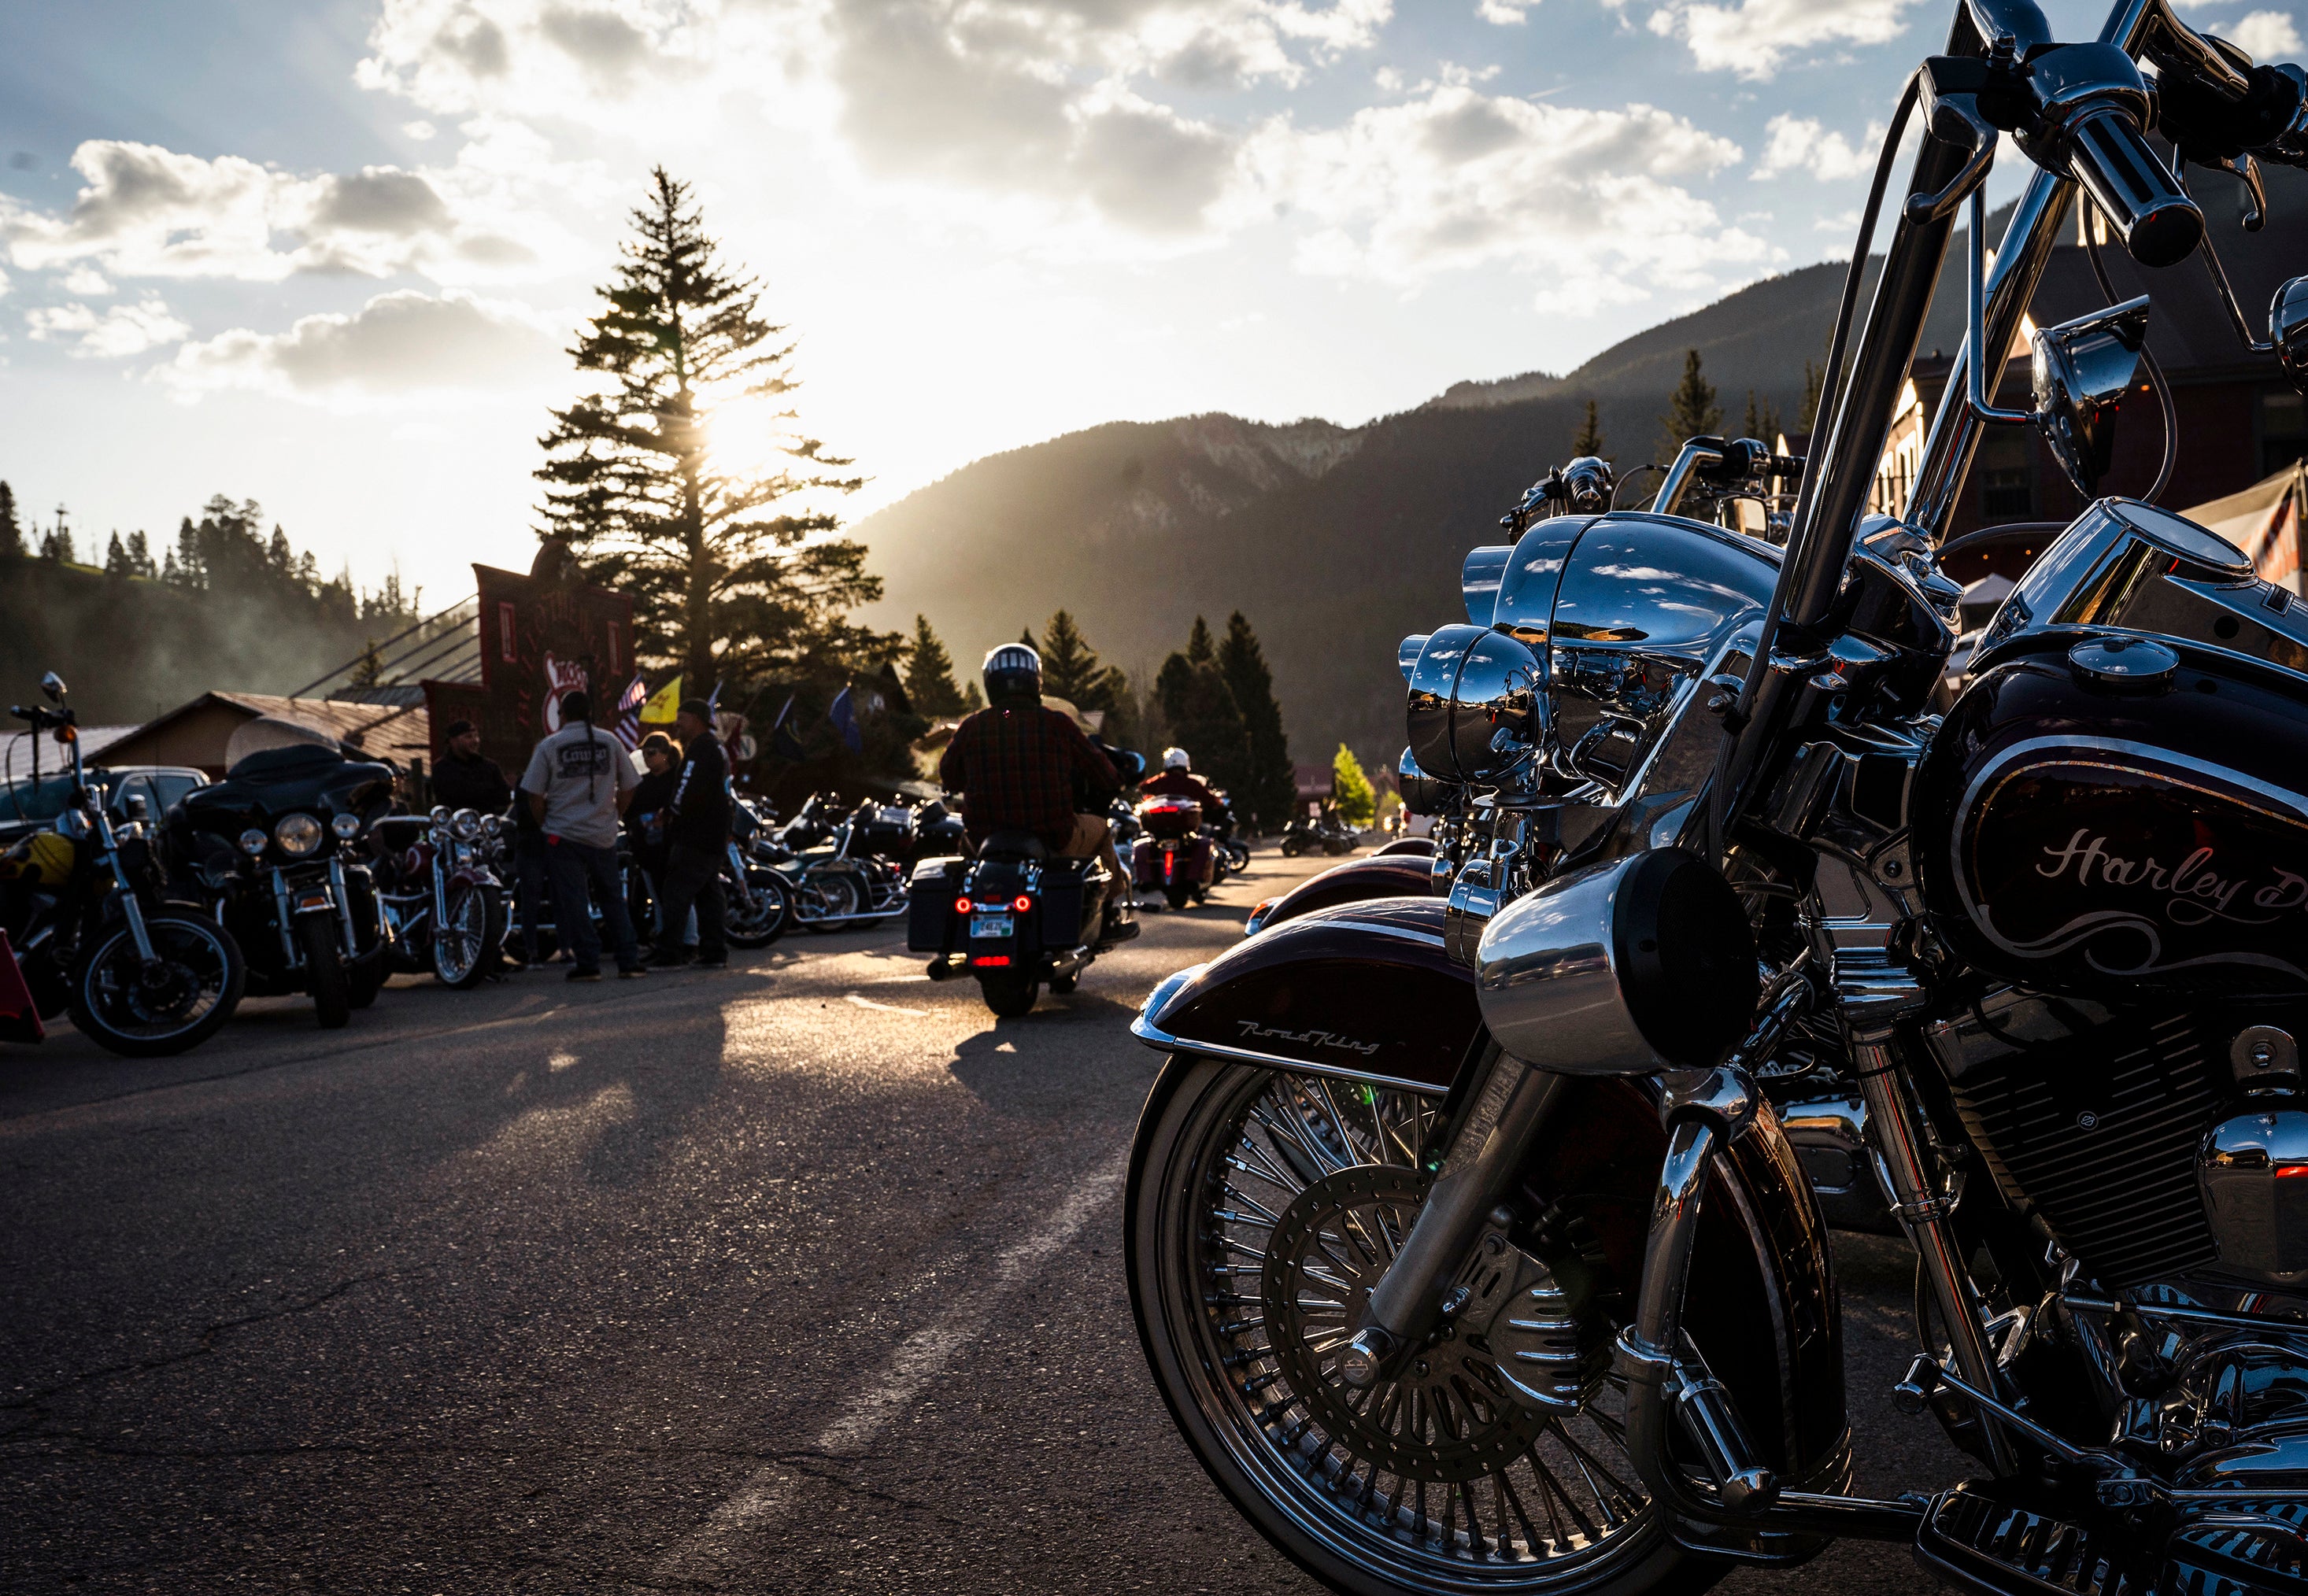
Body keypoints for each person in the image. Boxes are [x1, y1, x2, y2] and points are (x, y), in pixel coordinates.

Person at [938, 643, 1126, 935]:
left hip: (986, 839)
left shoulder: (972, 726)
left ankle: (967, 915)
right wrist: (1114, 781)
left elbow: (948, 776)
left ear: (990, 683)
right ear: (1035, 681)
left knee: (965, 845)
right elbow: (1104, 774)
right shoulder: (1058, 724)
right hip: (1054, 837)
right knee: (1101, 829)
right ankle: (1110, 915)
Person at [519, 689, 645, 981]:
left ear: (562, 715)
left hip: (562, 835)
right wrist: (615, 815)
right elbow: (630, 786)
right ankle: (628, 961)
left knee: (574, 900)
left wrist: (545, 822)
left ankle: (588, 964)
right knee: (612, 897)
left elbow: (534, 794)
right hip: (603, 834)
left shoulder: (550, 745)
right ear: (590, 713)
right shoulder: (610, 741)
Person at [650, 700, 730, 968]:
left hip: (695, 835)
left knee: (675, 892)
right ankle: (714, 952)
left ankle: (669, 953)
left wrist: (670, 812)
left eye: (681, 718)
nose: (677, 724)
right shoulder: (716, 747)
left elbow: (686, 786)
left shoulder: (700, 749)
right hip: (714, 834)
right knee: (709, 893)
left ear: (696, 719)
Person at [627, 732, 696, 955]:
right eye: (644, 754)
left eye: (651, 753)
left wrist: (665, 818)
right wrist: (640, 823)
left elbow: (685, 808)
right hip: (648, 849)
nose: (647, 758)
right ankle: (663, 943)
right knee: (657, 899)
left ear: (665, 754)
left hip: (674, 847)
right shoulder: (643, 783)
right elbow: (629, 812)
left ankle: (689, 942)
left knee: (679, 897)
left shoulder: (678, 780)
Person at [431, 719, 512, 815]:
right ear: (453, 741)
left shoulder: (490, 767)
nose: (475, 741)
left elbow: (505, 797)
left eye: (476, 736)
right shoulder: (442, 768)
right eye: (468, 737)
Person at [1141, 746, 1227, 820]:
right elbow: (1212, 801)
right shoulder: (1193, 784)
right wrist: (1219, 802)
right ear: (1186, 764)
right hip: (1186, 827)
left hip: (1159, 825)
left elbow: (1143, 788)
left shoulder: (1158, 782)